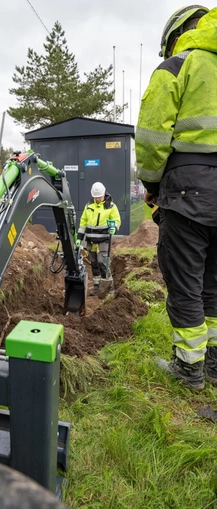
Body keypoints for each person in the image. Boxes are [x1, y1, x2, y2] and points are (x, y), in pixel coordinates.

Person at [135, 6, 217, 390]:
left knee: (186, 284)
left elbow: (151, 139)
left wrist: (151, 185)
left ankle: (189, 370)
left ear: (177, 34)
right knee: (214, 286)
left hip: (188, 190)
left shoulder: (177, 67)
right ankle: (213, 363)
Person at [76, 182, 121, 296]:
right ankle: (96, 286)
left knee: (103, 262)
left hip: (104, 239)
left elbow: (117, 220)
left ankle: (109, 286)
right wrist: (79, 237)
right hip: (91, 240)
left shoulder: (111, 207)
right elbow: (83, 223)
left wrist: (114, 228)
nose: (97, 199)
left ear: (104, 194)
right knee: (94, 263)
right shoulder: (88, 206)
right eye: (95, 197)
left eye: (99, 197)